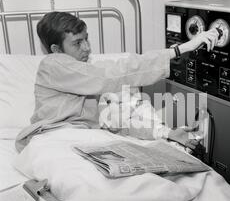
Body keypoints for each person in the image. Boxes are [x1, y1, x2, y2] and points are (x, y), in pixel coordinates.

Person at [15, 11, 219, 152]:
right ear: (56, 50)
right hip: (53, 140)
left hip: (85, 141)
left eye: (87, 39)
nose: (86, 48)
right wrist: (179, 49)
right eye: (77, 43)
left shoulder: (90, 78)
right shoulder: (52, 65)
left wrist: (167, 133)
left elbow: (116, 123)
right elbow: (114, 74)